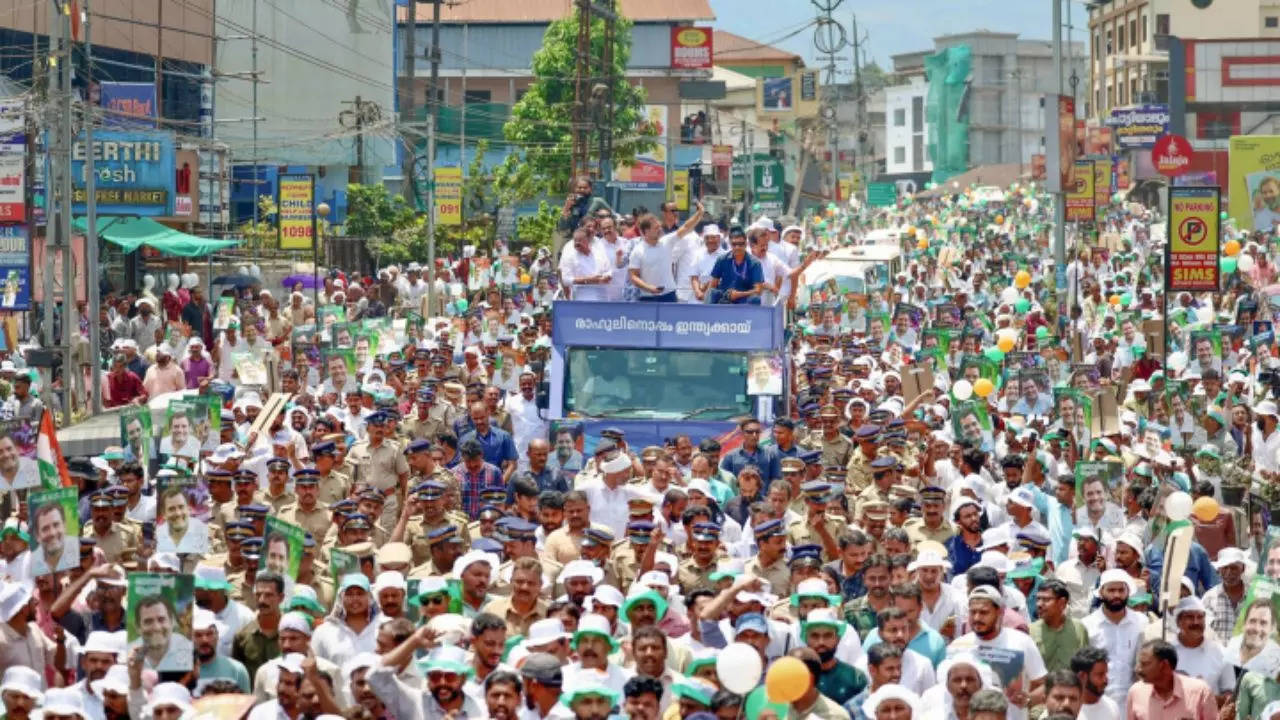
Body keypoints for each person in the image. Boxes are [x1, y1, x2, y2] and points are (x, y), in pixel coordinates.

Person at [1125, 639, 1218, 720]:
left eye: (1144, 664)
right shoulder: (1136, 692)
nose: (1138, 669)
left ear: (1164, 665)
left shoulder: (1200, 692)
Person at [130, 595, 194, 672]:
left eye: (161, 619)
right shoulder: (129, 654)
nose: (156, 627)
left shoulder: (190, 651)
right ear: (138, 627)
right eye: (148, 621)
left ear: (172, 622)